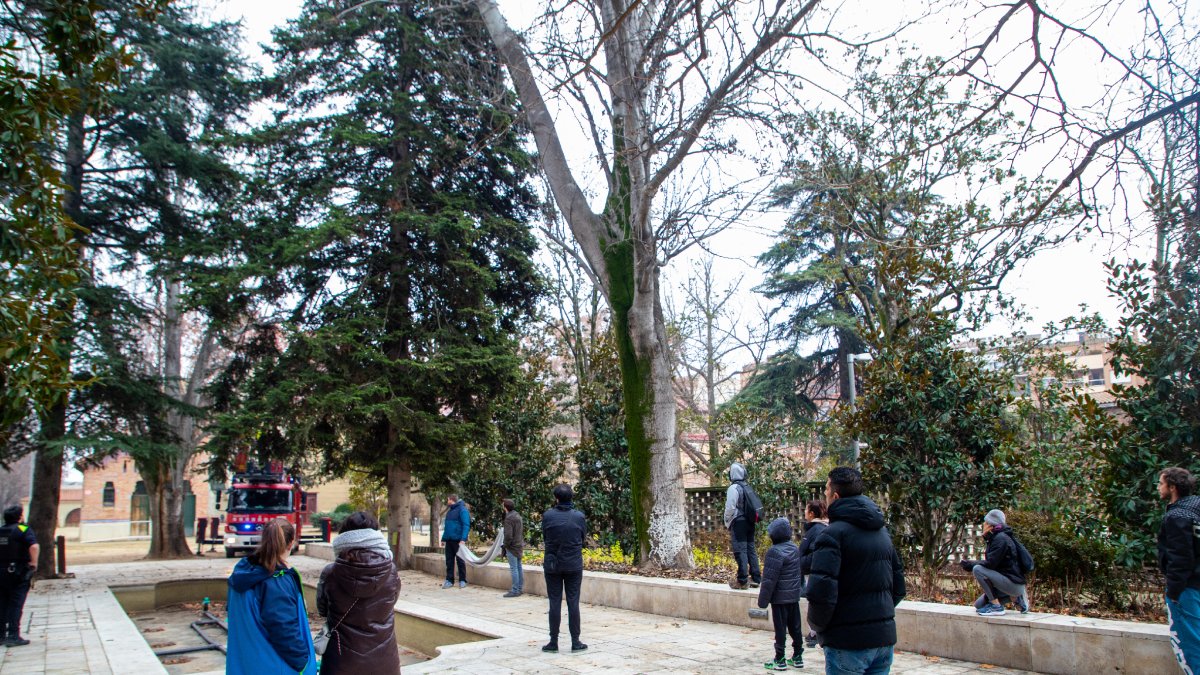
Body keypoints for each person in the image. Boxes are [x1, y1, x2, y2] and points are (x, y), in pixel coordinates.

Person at [806, 466, 905, 675]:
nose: (824, 494)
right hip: (883, 639)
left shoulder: (832, 535)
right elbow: (898, 586)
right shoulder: (882, 532)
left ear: (835, 495)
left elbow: (820, 591)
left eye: (825, 489)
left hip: (846, 641)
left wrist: (818, 626)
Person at [227, 517, 316, 675]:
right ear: (291, 544)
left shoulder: (243, 572)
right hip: (277, 667)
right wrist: (303, 664)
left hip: (246, 665)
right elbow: (284, 630)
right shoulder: (276, 581)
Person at [316, 511, 400, 674]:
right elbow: (392, 601)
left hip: (341, 659)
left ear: (344, 537)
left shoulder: (331, 573)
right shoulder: (391, 571)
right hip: (384, 658)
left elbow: (322, 609)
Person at [1158, 466, 1200, 673]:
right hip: (1196, 584)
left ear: (1172, 487)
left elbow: (1180, 557)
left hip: (1186, 590)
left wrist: (1173, 592)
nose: (1159, 488)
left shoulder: (1177, 516)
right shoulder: (1196, 509)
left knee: (1189, 645)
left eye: (1161, 483)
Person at [541, 483, 587, 653]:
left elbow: (545, 536)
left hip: (553, 564)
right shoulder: (579, 517)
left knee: (554, 602)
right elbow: (583, 537)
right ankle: (575, 641)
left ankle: (553, 641)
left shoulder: (548, 516)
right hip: (573, 564)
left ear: (556, 498)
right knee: (573, 602)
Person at [757, 517, 805, 671]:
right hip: (793, 597)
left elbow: (769, 580)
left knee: (780, 630)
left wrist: (762, 602)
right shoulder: (794, 548)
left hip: (779, 599)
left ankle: (780, 659)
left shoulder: (774, 552)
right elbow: (799, 573)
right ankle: (798, 656)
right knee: (795, 628)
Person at [959, 509, 1028, 616]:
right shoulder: (997, 537)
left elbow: (991, 563)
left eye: (985, 522)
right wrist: (987, 538)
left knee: (978, 569)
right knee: (979, 605)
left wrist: (971, 564)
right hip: (1007, 582)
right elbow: (995, 562)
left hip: (1012, 583)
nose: (983, 524)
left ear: (991, 524)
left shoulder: (1001, 539)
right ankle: (1016, 598)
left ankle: (996, 607)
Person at [0, 505, 38, 647]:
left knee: (2, 604)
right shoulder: (23, 529)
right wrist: (33, 563)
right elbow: (34, 546)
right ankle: (13, 635)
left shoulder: (1, 530)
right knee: (16, 604)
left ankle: (1, 635)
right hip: (17, 572)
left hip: (1, 572)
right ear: (20, 517)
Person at [723, 462, 761, 589]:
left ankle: (742, 580)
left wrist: (727, 522)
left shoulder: (733, 488)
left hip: (739, 522)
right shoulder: (747, 486)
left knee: (740, 550)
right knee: (751, 549)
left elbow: (730, 508)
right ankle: (756, 578)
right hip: (750, 521)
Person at [797, 499, 828, 649]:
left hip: (812, 571)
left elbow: (815, 552)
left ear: (811, 513)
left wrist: (802, 561)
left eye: (806, 510)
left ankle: (814, 633)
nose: (804, 513)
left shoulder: (816, 530)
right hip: (813, 570)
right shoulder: (821, 528)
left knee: (813, 601)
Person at [441, 494, 471, 589]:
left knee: (460, 561)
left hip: (458, 540)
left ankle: (462, 580)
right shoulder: (450, 512)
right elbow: (447, 527)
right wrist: (444, 538)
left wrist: (463, 539)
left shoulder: (462, 510)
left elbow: (466, 525)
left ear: (451, 500)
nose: (447, 501)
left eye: (448, 499)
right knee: (449, 561)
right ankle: (449, 580)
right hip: (449, 540)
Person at [501, 498, 524, 598]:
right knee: (519, 567)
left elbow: (508, 535)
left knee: (514, 568)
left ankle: (515, 590)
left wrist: (505, 545)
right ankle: (519, 589)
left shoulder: (509, 518)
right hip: (519, 545)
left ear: (505, 507)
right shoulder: (517, 516)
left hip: (512, 546)